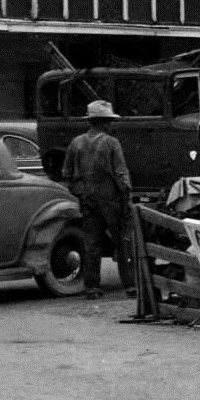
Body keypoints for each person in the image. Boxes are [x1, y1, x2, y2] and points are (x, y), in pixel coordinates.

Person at [61, 99, 133, 299]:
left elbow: (66, 172)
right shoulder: (111, 143)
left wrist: (79, 191)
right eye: (109, 121)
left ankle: (92, 286)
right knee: (122, 242)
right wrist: (127, 197)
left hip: (87, 199)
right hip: (112, 199)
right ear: (104, 122)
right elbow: (121, 173)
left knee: (93, 243)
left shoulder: (76, 143)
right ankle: (130, 285)